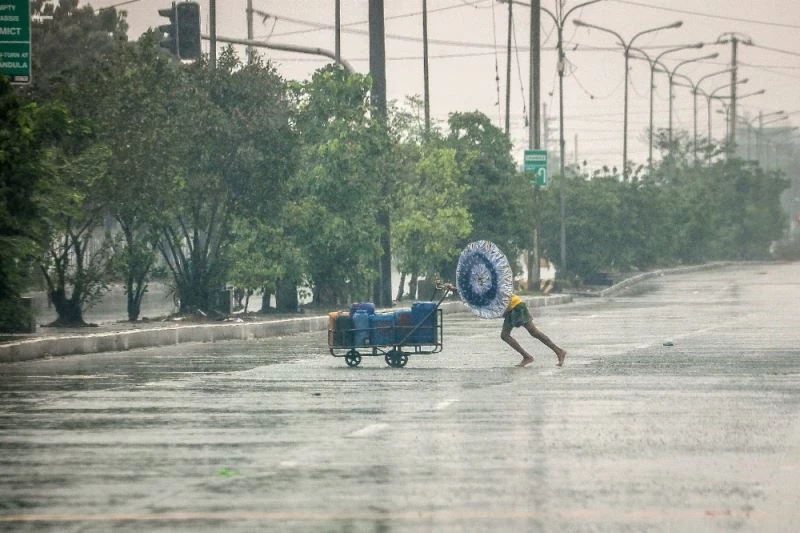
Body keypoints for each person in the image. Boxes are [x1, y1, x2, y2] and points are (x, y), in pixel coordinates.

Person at [440, 283, 566, 368]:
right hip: (509, 310)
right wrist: (452, 288)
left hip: (516, 306)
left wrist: (501, 310)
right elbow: (467, 293)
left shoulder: (491, 286)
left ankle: (559, 351)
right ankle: (527, 357)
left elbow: (503, 297)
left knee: (533, 332)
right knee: (505, 335)